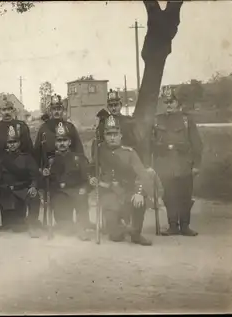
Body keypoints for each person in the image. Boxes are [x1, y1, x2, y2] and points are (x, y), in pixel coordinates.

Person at [89, 116, 156, 246]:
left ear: (120, 136)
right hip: (109, 193)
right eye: (109, 134)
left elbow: (142, 174)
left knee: (138, 200)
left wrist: (139, 192)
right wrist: (92, 177)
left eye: (115, 134)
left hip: (127, 190)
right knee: (115, 236)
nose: (112, 137)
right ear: (104, 136)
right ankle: (122, 227)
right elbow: (92, 167)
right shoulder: (99, 150)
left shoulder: (129, 153)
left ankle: (136, 233)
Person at [149, 86, 203, 236]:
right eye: (166, 102)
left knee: (185, 196)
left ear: (178, 103)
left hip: (183, 164)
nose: (168, 104)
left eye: (171, 101)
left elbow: (197, 144)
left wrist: (196, 165)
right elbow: (151, 143)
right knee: (169, 196)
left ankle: (185, 226)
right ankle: (173, 225)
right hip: (165, 164)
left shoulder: (186, 120)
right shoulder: (157, 120)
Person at [34, 94, 91, 230]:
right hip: (53, 171)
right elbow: (36, 153)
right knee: (65, 226)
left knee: (77, 197)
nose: (57, 111)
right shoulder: (44, 129)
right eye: (54, 109)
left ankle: (83, 224)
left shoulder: (70, 127)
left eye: (59, 108)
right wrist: (40, 170)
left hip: (70, 169)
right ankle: (65, 221)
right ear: (50, 111)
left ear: (63, 110)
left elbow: (79, 151)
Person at [0, 95, 34, 231]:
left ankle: (20, 221)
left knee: (20, 193)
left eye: (9, 109)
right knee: (4, 192)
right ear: (0, 112)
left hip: (20, 166)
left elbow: (28, 148)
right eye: (3, 109)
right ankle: (7, 222)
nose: (6, 112)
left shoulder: (21, 126)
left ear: (13, 110)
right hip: (2, 166)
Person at [43, 122, 92, 241]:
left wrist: (84, 189)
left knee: (82, 197)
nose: (62, 144)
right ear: (55, 143)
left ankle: (81, 227)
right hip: (60, 193)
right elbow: (47, 183)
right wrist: (45, 176)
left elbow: (86, 179)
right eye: (59, 141)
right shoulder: (51, 161)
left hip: (76, 191)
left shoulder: (78, 159)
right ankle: (69, 225)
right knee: (66, 230)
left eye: (65, 140)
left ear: (69, 142)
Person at [0, 124, 41, 236]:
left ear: (19, 143)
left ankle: (33, 222)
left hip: (23, 190)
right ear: (7, 144)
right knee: (16, 227)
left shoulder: (27, 158)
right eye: (10, 142)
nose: (12, 145)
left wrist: (33, 186)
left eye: (14, 142)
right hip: (8, 192)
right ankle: (13, 222)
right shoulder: (2, 160)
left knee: (35, 196)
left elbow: (35, 175)